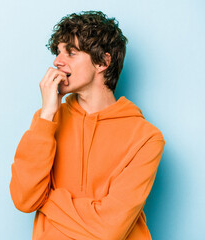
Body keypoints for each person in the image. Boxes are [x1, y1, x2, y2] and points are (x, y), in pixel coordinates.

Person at [9, 10, 165, 240]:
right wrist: (48, 114)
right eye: (58, 52)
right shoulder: (46, 120)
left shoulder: (146, 138)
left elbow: (109, 230)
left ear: (103, 61)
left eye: (70, 52)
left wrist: (47, 200)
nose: (57, 61)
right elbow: (24, 199)